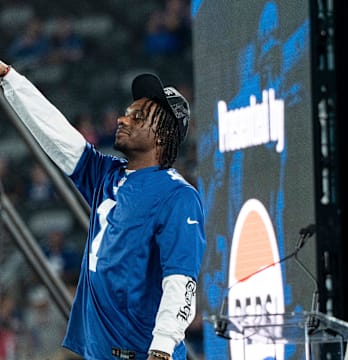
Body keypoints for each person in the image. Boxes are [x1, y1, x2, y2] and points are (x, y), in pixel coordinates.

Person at [0, 61, 206, 360]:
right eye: (127, 112)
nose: (124, 120)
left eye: (138, 116)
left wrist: (162, 349)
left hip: (141, 353)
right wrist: (10, 78)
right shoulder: (106, 175)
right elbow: (56, 133)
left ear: (162, 134)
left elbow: (181, 281)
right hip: (99, 352)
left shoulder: (178, 196)